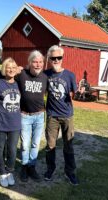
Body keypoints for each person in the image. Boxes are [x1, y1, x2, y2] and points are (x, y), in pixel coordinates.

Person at [44, 45, 79, 185]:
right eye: (53, 58)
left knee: (68, 146)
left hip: (67, 116)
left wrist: (79, 93)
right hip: (52, 115)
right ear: (49, 59)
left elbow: (74, 93)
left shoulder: (70, 75)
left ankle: (70, 172)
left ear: (62, 58)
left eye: (59, 57)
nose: (56, 60)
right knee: (50, 145)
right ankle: (50, 169)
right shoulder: (45, 75)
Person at [16, 50, 48, 182]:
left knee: (35, 144)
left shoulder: (45, 77)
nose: (38, 64)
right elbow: (7, 73)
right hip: (24, 116)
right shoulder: (22, 74)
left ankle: (32, 167)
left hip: (40, 115)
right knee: (25, 144)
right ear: (29, 63)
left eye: (40, 62)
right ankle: (24, 167)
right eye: (35, 62)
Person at [0, 58, 21, 187]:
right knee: (0, 148)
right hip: (0, 121)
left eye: (13, 67)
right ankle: (2, 172)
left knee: (12, 149)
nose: (11, 70)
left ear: (16, 70)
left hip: (15, 123)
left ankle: (10, 171)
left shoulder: (19, 83)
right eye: (8, 67)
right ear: (4, 69)